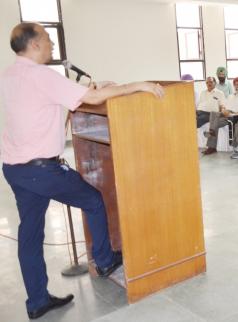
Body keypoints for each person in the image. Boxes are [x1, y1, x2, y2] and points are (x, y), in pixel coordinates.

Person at [0, 22, 165, 319]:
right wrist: (138, 85)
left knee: (30, 235)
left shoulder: (10, 75)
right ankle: (104, 260)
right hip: (42, 170)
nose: (52, 44)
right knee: (92, 200)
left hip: (15, 169)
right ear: (34, 44)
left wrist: (91, 89)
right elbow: (89, 99)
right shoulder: (41, 74)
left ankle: (37, 301)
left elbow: (55, 100)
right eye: (48, 39)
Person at [203, 77, 238, 155]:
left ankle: (211, 144)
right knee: (213, 113)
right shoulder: (231, 96)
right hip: (225, 115)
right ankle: (212, 136)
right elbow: (225, 106)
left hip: (234, 116)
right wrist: (224, 110)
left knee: (214, 123)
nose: (236, 86)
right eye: (235, 85)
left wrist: (232, 113)